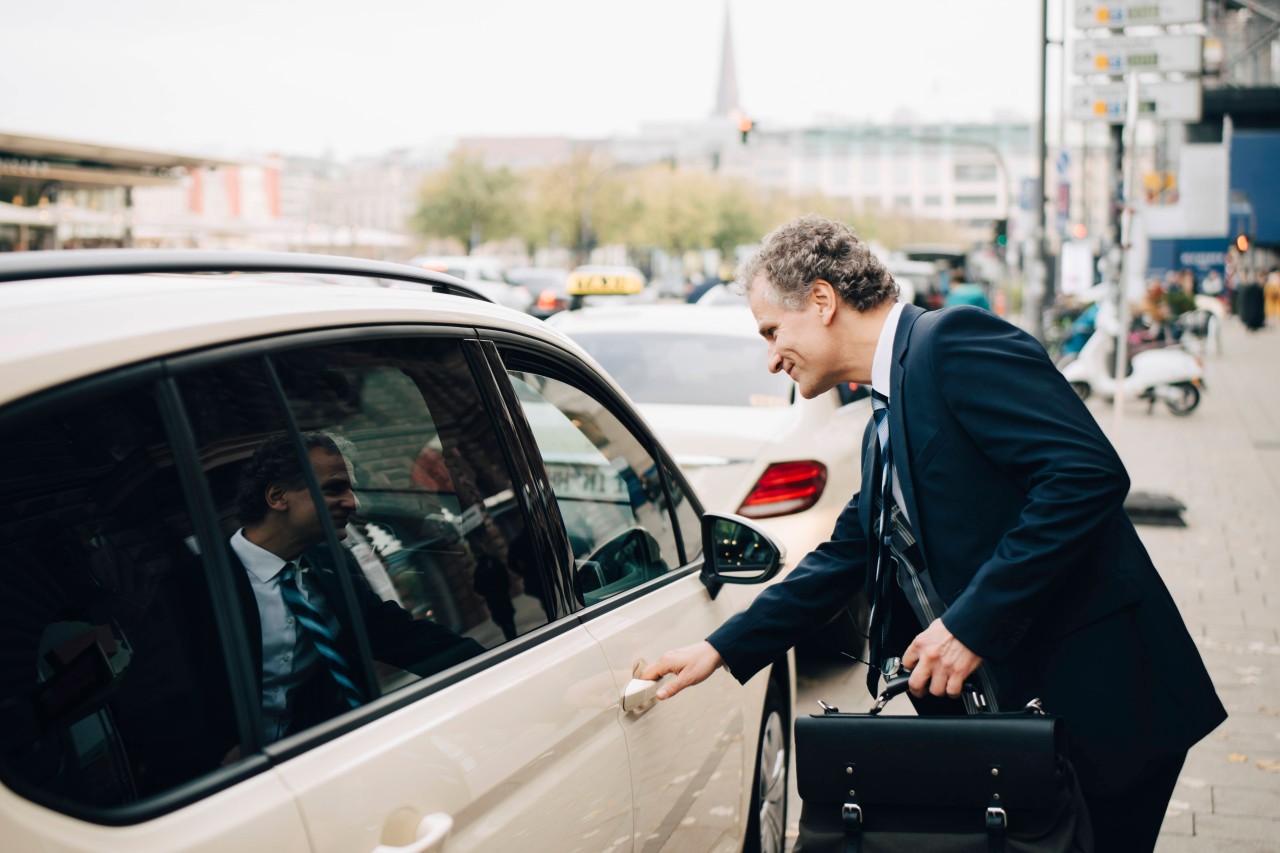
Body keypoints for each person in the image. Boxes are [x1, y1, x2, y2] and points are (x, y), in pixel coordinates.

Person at [640, 215, 1225, 853]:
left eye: (772, 331)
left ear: (822, 299)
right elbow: (846, 553)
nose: (771, 356)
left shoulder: (952, 343)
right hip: (1031, 719)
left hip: (1106, 703)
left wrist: (971, 625)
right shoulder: (883, 418)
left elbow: (1085, 475)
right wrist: (720, 648)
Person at [229, 432, 483, 747]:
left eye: (350, 489)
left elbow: (401, 636)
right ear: (278, 496)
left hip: (332, 751)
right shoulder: (201, 587)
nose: (353, 502)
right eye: (335, 488)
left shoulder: (332, 564)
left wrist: (497, 668)